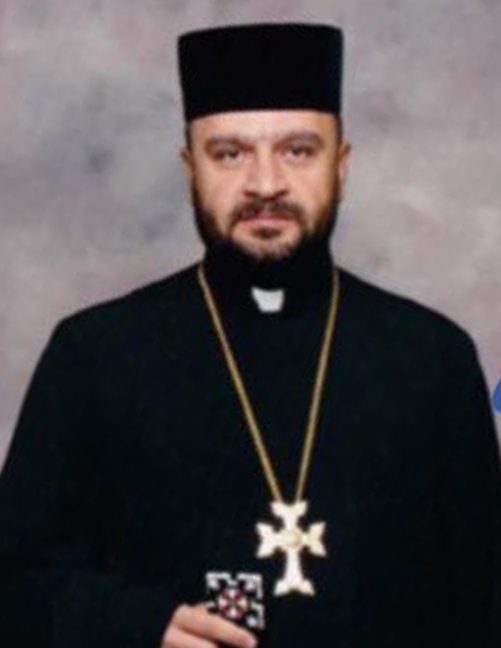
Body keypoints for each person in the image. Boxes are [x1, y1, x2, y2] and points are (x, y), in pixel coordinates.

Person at [0, 21, 500, 648]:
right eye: (230, 154)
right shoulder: (93, 354)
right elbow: (13, 586)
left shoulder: (433, 359)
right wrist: (137, 626)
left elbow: (486, 605)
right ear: (190, 168)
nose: (266, 184)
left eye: (298, 150)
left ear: (341, 165)